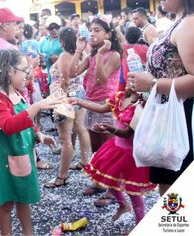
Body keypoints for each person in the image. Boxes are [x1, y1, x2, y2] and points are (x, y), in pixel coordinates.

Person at [0, 49, 63, 235]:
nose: (28, 75)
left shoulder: (18, 93)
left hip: (21, 155)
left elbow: (24, 119)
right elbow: (9, 125)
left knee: (23, 199)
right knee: (6, 203)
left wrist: (39, 135)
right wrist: (37, 106)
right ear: (10, 71)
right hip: (5, 160)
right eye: (24, 70)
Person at [129, 0, 194, 197]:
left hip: (181, 116)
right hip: (169, 113)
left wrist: (153, 84)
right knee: (170, 189)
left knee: (177, 193)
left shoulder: (189, 24)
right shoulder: (179, 22)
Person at [70, 82, 157, 227]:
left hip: (131, 155)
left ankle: (140, 224)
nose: (130, 82)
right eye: (129, 79)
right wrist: (79, 101)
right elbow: (100, 108)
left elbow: (128, 133)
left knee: (133, 193)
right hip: (115, 148)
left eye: (134, 79)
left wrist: (110, 129)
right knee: (107, 179)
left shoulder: (142, 106)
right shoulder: (120, 98)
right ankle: (123, 205)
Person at [69, 15, 122, 205]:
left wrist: (100, 54)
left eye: (97, 30)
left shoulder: (113, 54)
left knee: (109, 149)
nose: (92, 33)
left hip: (106, 105)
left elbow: (101, 79)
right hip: (91, 103)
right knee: (97, 149)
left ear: (108, 34)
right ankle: (100, 183)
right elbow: (71, 73)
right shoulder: (92, 54)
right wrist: (78, 50)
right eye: (91, 30)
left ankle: (112, 190)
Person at [44, 27, 91, 188]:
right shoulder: (81, 54)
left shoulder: (65, 55)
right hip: (78, 96)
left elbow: (65, 80)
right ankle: (85, 162)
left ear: (62, 41)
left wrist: (61, 102)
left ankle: (62, 176)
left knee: (65, 140)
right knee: (80, 129)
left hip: (65, 98)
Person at [119, 27, 148, 91]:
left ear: (126, 35)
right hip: (141, 80)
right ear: (138, 37)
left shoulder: (121, 47)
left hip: (124, 79)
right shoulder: (145, 48)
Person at [39, 15, 63, 84]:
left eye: (56, 27)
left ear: (60, 27)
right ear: (47, 28)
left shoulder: (64, 40)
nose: (54, 30)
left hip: (62, 79)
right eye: (51, 28)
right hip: (48, 79)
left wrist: (58, 60)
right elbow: (40, 62)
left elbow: (71, 58)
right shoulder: (43, 42)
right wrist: (41, 61)